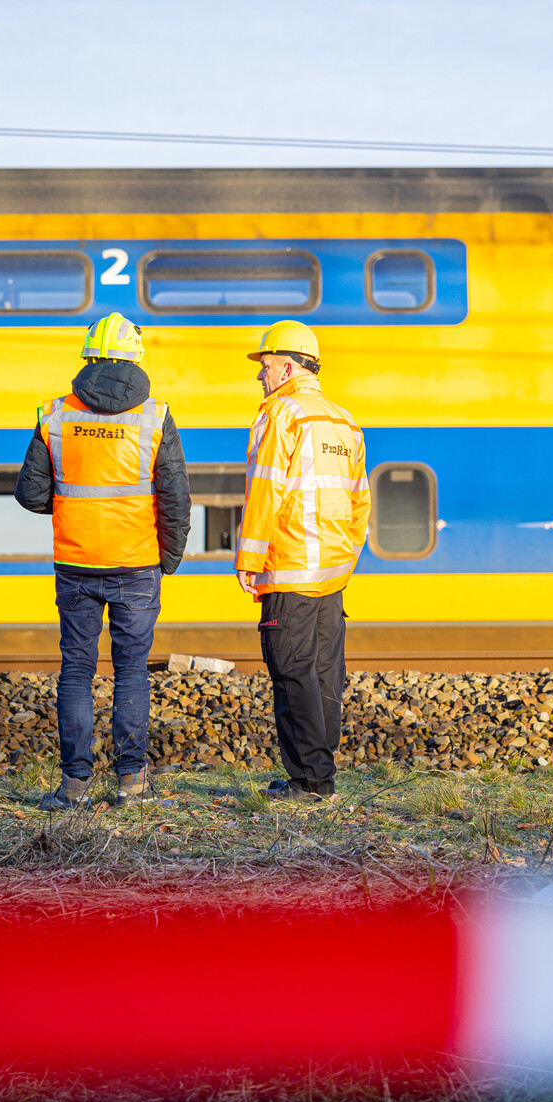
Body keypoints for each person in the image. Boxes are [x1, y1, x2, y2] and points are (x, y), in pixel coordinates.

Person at [16, 313, 189, 808]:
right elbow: (176, 495)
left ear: (88, 357)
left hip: (76, 562)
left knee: (76, 669)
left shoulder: (55, 413)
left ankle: (74, 786)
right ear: (136, 359)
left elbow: (30, 494)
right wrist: (169, 557)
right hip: (136, 563)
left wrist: (71, 505)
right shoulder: (155, 416)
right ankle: (131, 782)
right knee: (131, 669)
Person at [235, 321, 371, 801]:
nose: (260, 376)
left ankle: (310, 780)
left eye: (265, 365)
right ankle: (321, 769)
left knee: (291, 671)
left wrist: (249, 558)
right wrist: (345, 556)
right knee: (325, 670)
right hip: (332, 573)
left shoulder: (280, 414)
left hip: (290, 568)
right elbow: (361, 503)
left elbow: (266, 489)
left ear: (287, 365)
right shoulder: (342, 420)